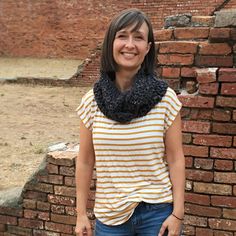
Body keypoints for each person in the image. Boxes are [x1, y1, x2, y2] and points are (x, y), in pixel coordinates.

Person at [75, 8, 185, 236]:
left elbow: (175, 159)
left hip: (157, 215)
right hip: (110, 217)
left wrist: (178, 214)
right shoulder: (92, 101)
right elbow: (85, 161)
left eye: (139, 37)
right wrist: (80, 214)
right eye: (122, 36)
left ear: (148, 48)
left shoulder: (165, 99)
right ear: (110, 43)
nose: (130, 44)